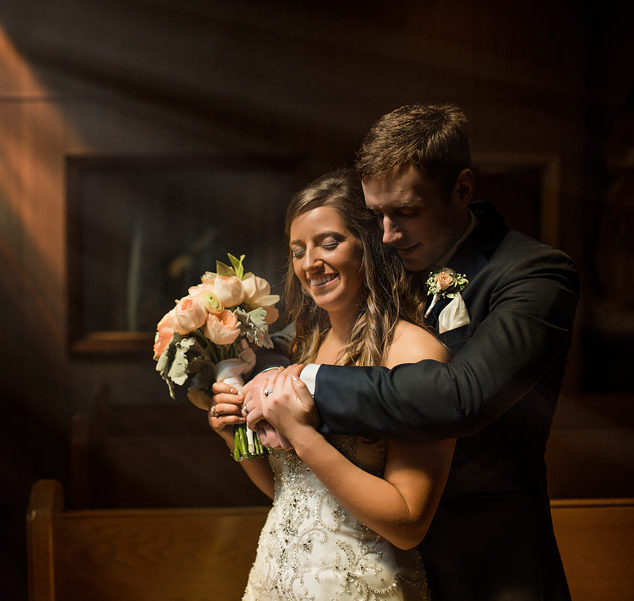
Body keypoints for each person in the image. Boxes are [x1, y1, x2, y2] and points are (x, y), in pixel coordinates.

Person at [243, 104, 580, 601]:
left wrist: (309, 382)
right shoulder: (388, 258)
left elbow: (461, 396)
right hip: (377, 553)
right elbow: (302, 343)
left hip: (485, 561)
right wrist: (250, 384)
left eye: (404, 211)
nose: (385, 233)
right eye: (375, 214)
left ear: (463, 189)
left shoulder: (533, 275)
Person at [209, 169, 454, 600]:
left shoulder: (413, 353)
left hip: (360, 585)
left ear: (370, 245)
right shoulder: (304, 346)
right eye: (298, 251)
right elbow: (296, 492)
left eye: (329, 243)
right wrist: (235, 439)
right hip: (276, 578)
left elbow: (409, 523)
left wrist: (302, 434)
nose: (310, 264)